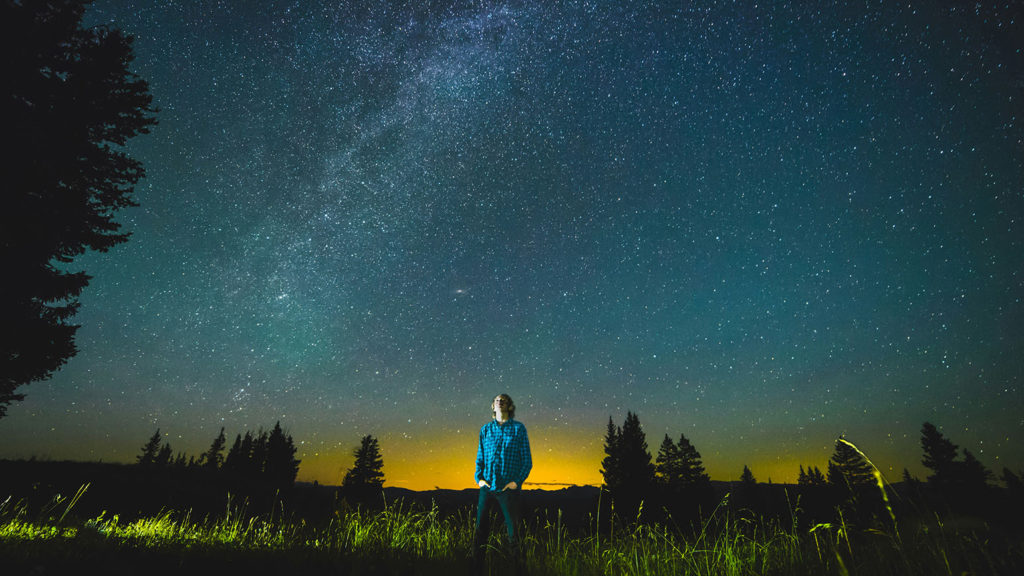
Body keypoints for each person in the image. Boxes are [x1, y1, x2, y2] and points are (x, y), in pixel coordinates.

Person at [473, 393, 532, 573]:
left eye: (503, 400)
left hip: (508, 489)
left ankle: (518, 570)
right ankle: (476, 571)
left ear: (509, 406)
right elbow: (480, 458)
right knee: (480, 532)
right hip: (487, 487)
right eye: (497, 400)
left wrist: (516, 482)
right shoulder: (485, 430)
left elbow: (527, 460)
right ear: (493, 406)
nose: (500, 402)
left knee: (514, 533)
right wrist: (479, 478)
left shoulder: (518, 429)